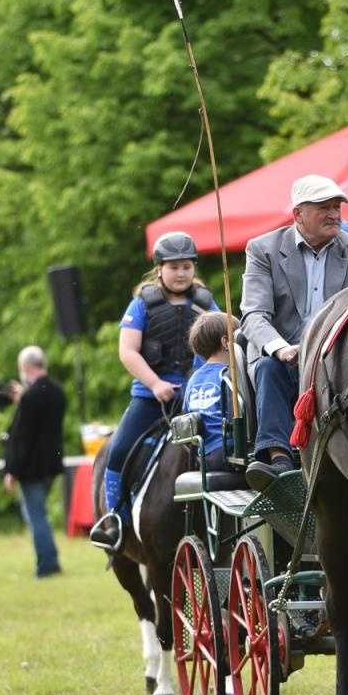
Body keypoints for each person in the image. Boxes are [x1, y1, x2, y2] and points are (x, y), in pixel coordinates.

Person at [241, 175, 348, 490]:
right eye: (324, 207)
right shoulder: (263, 250)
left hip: (335, 357)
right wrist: (281, 348)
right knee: (269, 367)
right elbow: (254, 315)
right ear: (298, 215)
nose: (334, 214)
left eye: (337, 207)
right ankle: (279, 462)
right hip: (283, 357)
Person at [89, 231, 217, 551]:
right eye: (174, 267)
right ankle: (115, 522)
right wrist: (155, 384)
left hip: (199, 398)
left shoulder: (205, 303)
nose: (181, 273)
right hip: (150, 398)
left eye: (187, 266)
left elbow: (222, 343)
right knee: (117, 451)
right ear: (159, 268)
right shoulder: (141, 304)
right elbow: (128, 351)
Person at [3, 345, 66, 578]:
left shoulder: (31, 398)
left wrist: (11, 470)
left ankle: (47, 563)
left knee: (35, 515)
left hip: (32, 468)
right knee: (39, 513)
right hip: (51, 465)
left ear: (26, 367)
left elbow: (23, 438)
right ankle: (50, 559)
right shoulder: (57, 392)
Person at [183, 312, 238, 474]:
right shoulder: (230, 375)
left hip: (203, 457)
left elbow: (188, 416)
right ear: (226, 342)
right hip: (229, 453)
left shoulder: (193, 379)